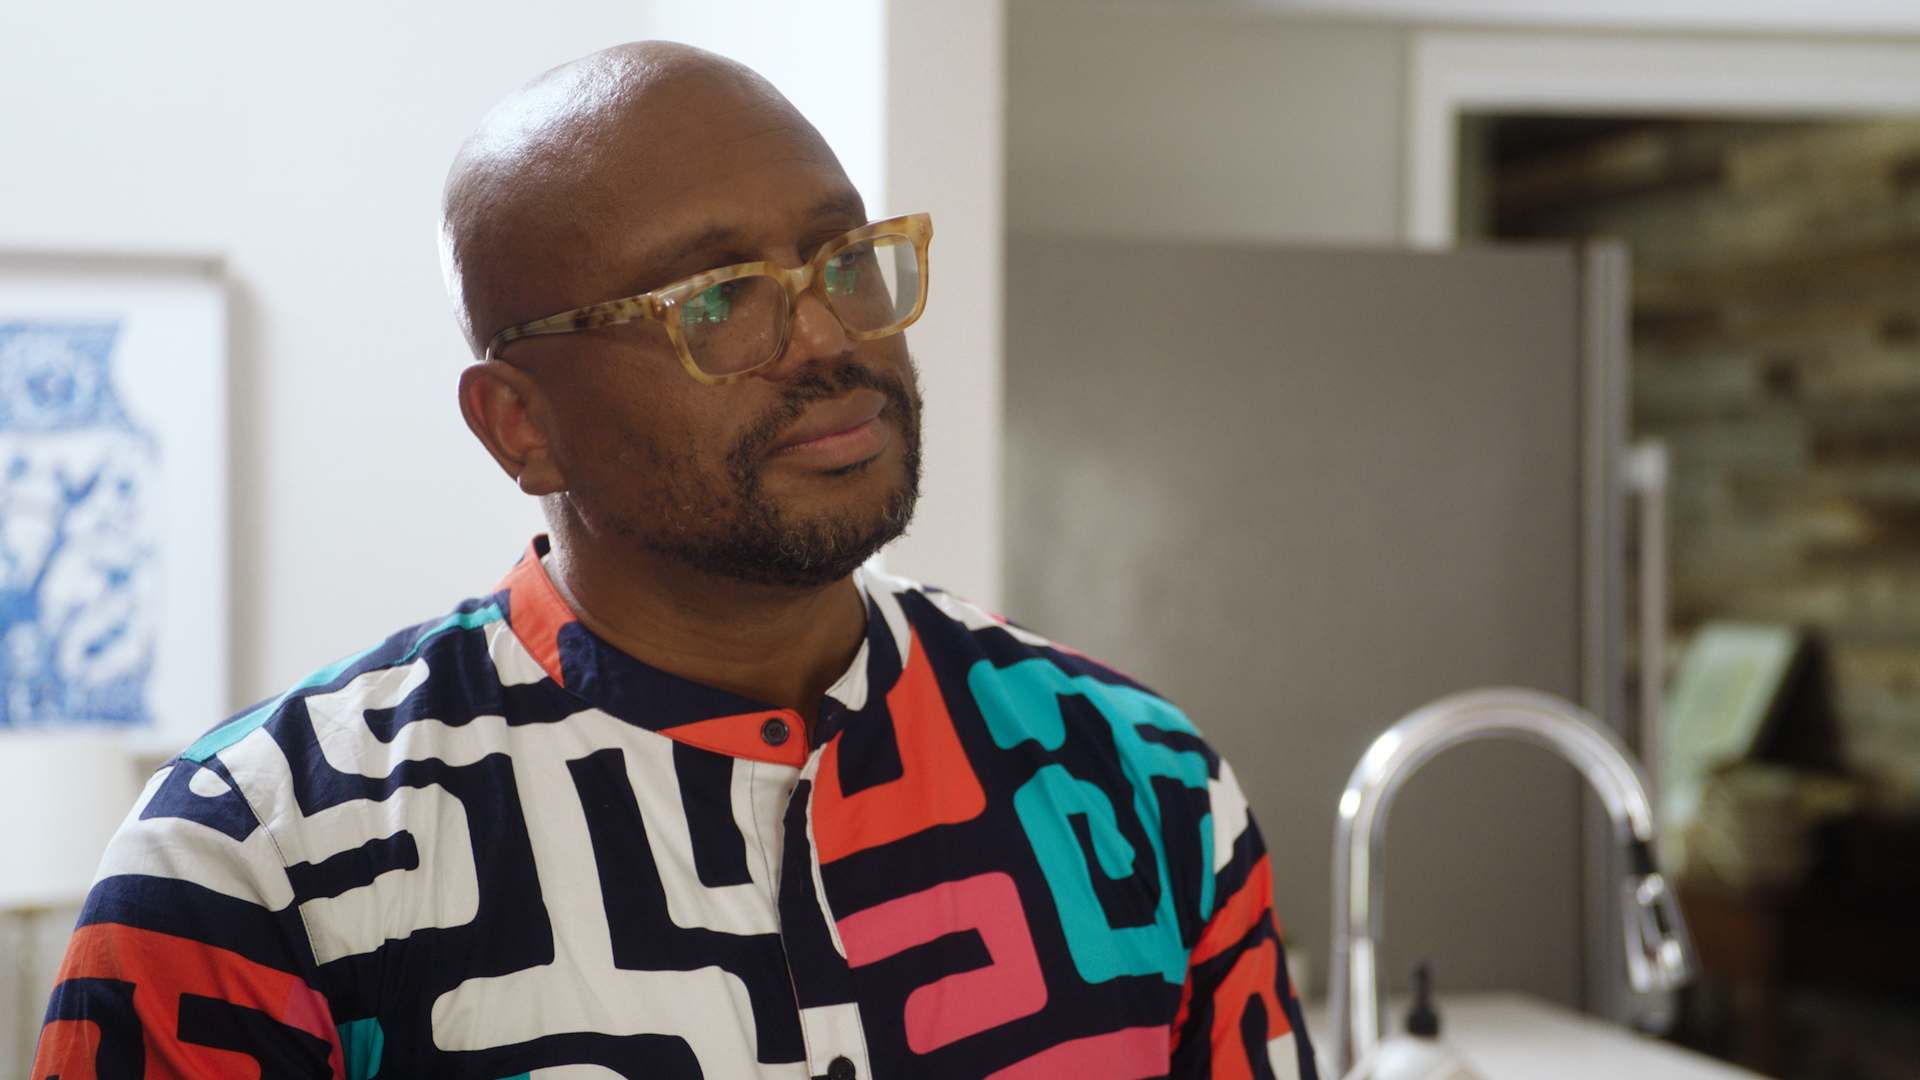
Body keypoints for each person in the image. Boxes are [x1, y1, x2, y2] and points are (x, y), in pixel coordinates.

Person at [32, 42, 1316, 1080]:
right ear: (520, 424)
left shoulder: (1139, 779)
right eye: (715, 300)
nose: (828, 336)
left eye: (843, 261)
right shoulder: (254, 864)